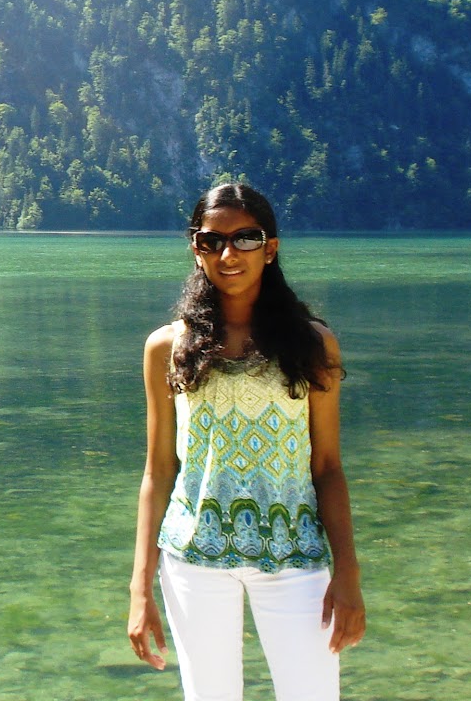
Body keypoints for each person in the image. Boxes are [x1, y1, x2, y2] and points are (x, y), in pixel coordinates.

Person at [127, 182, 365, 700]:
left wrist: (348, 573)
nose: (228, 254)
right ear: (196, 249)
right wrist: (139, 588)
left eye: (245, 239)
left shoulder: (313, 345)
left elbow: (327, 467)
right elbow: (158, 471)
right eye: (211, 241)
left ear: (270, 248)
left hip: (295, 553)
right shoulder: (168, 348)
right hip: (193, 558)